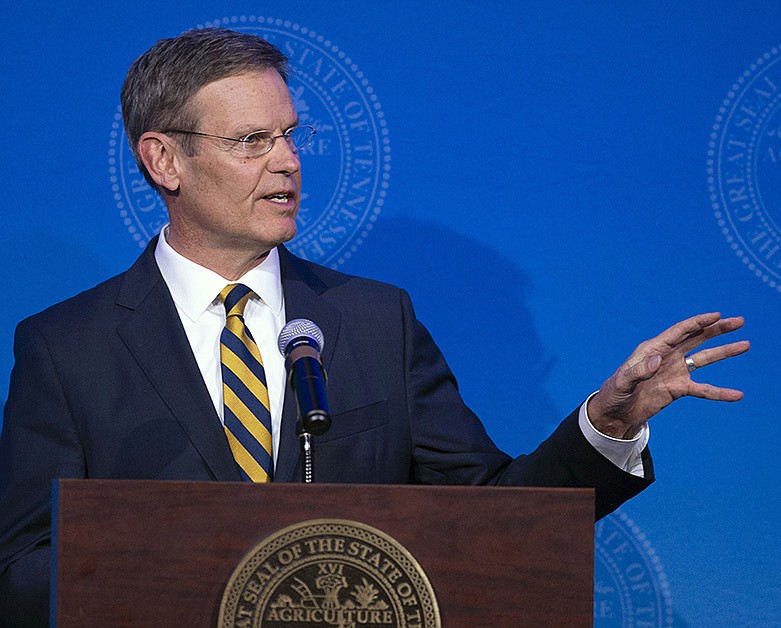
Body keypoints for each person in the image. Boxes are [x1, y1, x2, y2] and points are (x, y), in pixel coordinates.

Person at [0, 28, 748, 626]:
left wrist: (606, 424)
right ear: (164, 159)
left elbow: (491, 514)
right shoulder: (67, 348)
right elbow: (22, 572)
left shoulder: (371, 321)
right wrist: (174, 555)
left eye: (292, 135)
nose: (288, 162)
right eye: (251, 141)